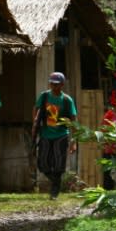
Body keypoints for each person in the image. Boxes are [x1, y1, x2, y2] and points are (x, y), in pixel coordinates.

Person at [32, 71, 77, 200]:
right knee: (43, 163)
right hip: (45, 134)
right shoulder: (44, 96)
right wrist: (34, 125)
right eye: (52, 84)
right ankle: (55, 182)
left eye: (56, 84)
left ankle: (54, 191)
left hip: (61, 135)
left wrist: (74, 141)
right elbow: (36, 108)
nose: (53, 86)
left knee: (58, 165)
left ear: (62, 85)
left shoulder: (67, 100)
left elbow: (73, 120)